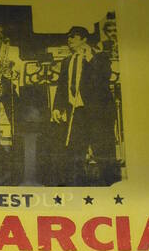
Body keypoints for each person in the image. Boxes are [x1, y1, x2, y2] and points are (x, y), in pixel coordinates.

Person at [51, 25, 119, 186]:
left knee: (102, 148)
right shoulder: (67, 61)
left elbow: (103, 78)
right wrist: (57, 107)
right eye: (68, 37)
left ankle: (110, 185)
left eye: (73, 37)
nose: (69, 40)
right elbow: (62, 87)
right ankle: (78, 185)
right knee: (75, 149)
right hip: (76, 112)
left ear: (84, 40)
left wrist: (90, 58)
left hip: (97, 113)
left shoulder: (99, 57)